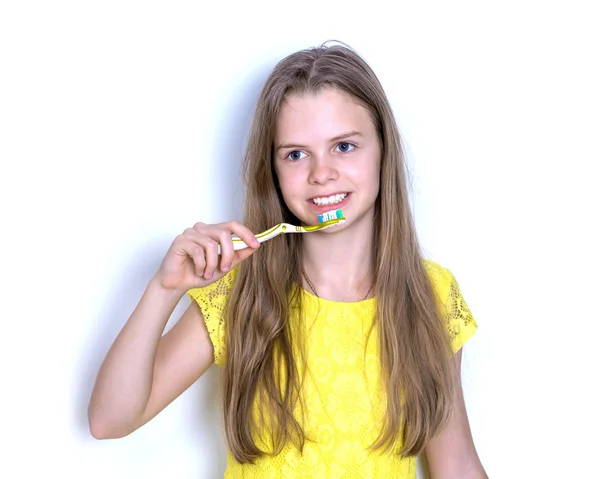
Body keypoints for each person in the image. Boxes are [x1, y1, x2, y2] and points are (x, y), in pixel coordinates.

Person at [88, 42, 488, 478]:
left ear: (383, 150)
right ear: (274, 171)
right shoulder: (241, 291)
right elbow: (110, 419)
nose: (321, 173)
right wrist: (164, 290)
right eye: (296, 154)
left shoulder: (432, 294)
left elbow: (456, 465)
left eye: (344, 146)